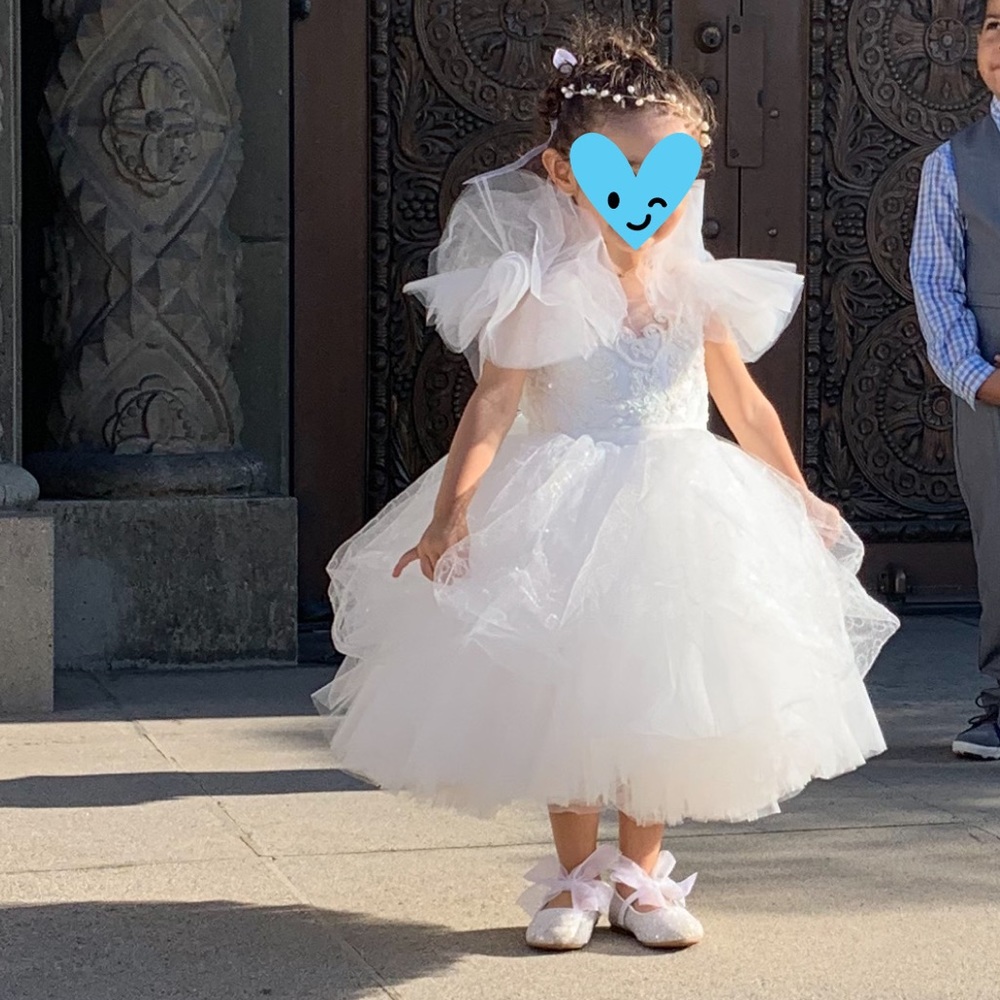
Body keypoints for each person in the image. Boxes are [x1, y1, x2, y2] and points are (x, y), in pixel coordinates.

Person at [314, 21, 899, 951]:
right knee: (571, 685)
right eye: (621, 176)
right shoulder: (538, 289)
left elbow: (743, 406)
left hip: (682, 503)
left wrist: (799, 493)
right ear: (564, 175)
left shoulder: (694, 286)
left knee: (663, 685)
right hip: (564, 503)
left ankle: (643, 874)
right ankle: (576, 876)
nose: (648, 201)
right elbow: (493, 409)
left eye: (670, 175)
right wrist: (447, 516)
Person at [911, 2, 1000, 760]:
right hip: (997, 392)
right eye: (994, 24)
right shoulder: (952, 163)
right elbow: (937, 286)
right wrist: (978, 377)